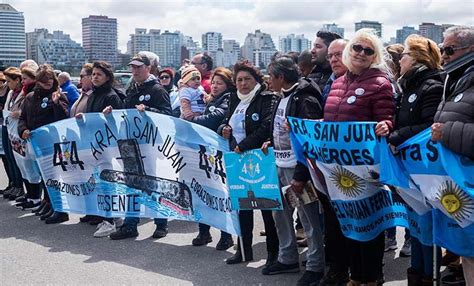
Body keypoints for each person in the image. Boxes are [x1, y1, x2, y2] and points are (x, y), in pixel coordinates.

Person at [324, 28, 395, 286]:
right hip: (339, 168)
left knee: (369, 223)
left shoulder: (380, 82)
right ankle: (355, 276)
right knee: (348, 223)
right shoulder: (338, 82)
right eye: (357, 48)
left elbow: (387, 116)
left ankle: (371, 277)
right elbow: (331, 119)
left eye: (368, 51)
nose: (361, 54)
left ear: (374, 56)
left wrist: (386, 125)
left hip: (365, 168)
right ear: (348, 49)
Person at [261, 57, 326, 286]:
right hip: (279, 164)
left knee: (308, 218)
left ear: (281, 77)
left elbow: (308, 140)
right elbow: (280, 128)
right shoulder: (282, 96)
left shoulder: (305, 98)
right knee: (280, 213)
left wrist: (301, 174)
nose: (268, 80)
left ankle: (316, 264)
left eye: (271, 76)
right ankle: (287, 257)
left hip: (297, 168)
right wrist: (271, 141)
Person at [386, 34, 445, 285]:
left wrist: (396, 137)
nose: (400, 60)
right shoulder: (408, 86)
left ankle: (427, 276)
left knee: (426, 225)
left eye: (405, 56)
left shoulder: (431, 86)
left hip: (424, 169)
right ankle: (416, 274)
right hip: (409, 167)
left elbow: (427, 126)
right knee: (416, 222)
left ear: (417, 58)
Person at [218, 60, 279, 265]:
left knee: (267, 209)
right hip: (238, 160)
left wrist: (243, 145)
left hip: (261, 158)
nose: (243, 84)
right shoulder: (235, 98)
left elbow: (266, 126)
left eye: (247, 79)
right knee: (242, 207)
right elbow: (227, 122)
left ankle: (272, 254)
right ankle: (244, 251)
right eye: (239, 80)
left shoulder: (267, 98)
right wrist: (224, 129)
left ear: (256, 80)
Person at [108, 52, 172, 240]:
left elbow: (168, 115)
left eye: (138, 67)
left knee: (153, 183)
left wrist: (149, 111)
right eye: (132, 67)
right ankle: (130, 224)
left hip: (150, 144)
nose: (134, 70)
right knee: (131, 184)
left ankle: (161, 223)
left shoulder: (157, 90)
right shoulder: (132, 88)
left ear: (148, 68)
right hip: (131, 143)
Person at [431, 25, 473, 286]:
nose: (443, 56)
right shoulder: (454, 79)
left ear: (470, 49)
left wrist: (447, 132)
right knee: (469, 255)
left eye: (448, 49)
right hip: (461, 184)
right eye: (441, 49)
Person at [316, 38, 353, 286]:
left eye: (338, 55)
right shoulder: (330, 83)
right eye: (330, 56)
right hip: (330, 164)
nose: (333, 60)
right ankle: (336, 268)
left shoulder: (363, 82)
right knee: (332, 219)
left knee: (353, 220)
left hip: (354, 165)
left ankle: (360, 272)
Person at [190, 67, 235, 250]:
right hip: (206, 152)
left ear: (227, 85)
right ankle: (204, 231)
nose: (215, 86)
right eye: (213, 83)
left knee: (221, 194)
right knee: (204, 192)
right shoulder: (212, 100)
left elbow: (216, 118)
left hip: (220, 154)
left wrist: (192, 120)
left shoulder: (229, 99)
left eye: (220, 83)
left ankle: (226, 235)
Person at [17, 64, 69, 223]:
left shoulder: (59, 95)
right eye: (44, 80)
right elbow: (22, 118)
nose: (48, 82)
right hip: (36, 144)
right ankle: (49, 203)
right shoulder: (30, 97)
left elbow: (63, 119)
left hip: (52, 144)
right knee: (44, 176)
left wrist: (55, 103)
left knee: (54, 178)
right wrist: (23, 130)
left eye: (50, 79)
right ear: (38, 81)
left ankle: (60, 209)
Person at [82, 61, 123, 233]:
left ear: (107, 77)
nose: (95, 77)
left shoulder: (111, 96)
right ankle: (111, 215)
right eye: (93, 74)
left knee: (107, 182)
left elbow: (119, 123)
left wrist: (110, 116)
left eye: (99, 74)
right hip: (95, 145)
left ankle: (110, 220)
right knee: (100, 182)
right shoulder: (92, 95)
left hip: (107, 147)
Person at [383, 43, 412, 257]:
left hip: (400, 145)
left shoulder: (400, 85)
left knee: (406, 196)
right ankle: (390, 236)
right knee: (390, 194)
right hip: (388, 146)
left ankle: (408, 237)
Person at [1, 68, 24, 200]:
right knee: (9, 156)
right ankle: (14, 184)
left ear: (17, 80)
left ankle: (19, 186)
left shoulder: (22, 93)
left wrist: (18, 114)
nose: (7, 84)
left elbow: (23, 110)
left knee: (16, 158)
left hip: (16, 128)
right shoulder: (11, 93)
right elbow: (7, 108)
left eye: (9, 81)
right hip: (7, 125)